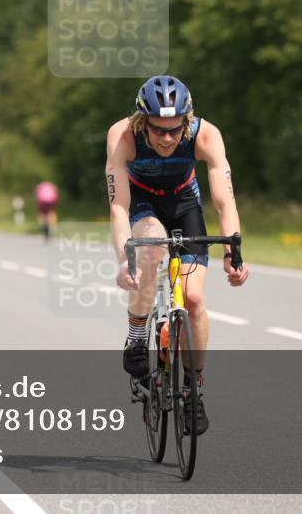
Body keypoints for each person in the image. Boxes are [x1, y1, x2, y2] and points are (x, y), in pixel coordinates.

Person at [107, 74, 250, 436]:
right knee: (152, 247)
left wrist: (234, 250)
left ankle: (193, 389)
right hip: (142, 203)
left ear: (186, 121)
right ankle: (137, 334)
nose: (168, 138)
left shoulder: (205, 134)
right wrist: (126, 261)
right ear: (143, 122)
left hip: (185, 202)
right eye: (159, 130)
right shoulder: (123, 136)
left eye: (175, 130)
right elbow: (119, 207)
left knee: (196, 299)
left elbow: (224, 199)